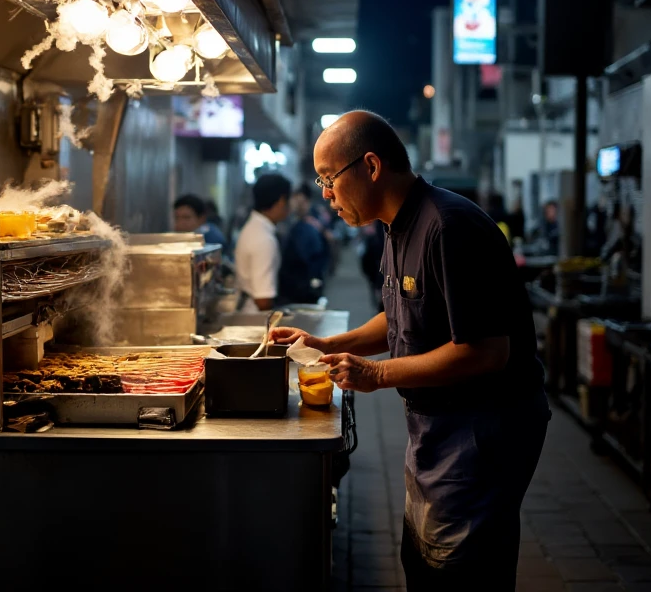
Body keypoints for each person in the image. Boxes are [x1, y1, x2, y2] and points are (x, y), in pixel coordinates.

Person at [271, 111, 550, 591]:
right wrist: (329, 344)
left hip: (480, 430)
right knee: (423, 559)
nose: (325, 194)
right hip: (435, 428)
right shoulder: (395, 225)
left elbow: (486, 352)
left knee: (459, 571)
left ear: (372, 166)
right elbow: (403, 315)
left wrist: (377, 375)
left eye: (328, 178)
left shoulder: (448, 226)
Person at [234, 173, 291, 313]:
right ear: (282, 201)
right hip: (255, 318)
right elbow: (263, 300)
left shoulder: (254, 228)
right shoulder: (263, 239)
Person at [278, 184, 329, 305]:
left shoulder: (309, 227)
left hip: (302, 288)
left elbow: (313, 258)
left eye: (302, 202)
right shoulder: (292, 224)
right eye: (296, 201)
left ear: (308, 202)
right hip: (297, 287)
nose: (298, 205)